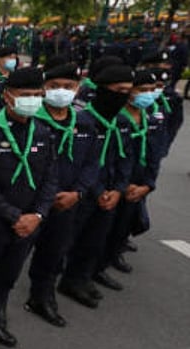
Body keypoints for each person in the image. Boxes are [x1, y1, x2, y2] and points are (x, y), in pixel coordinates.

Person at [0, 67, 57, 348]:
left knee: (6, 277)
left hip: (28, 225)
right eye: (24, 95)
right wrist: (14, 215)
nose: (31, 100)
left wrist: (38, 215)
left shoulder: (42, 132)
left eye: (35, 95)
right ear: (7, 96)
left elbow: (50, 178)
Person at [25, 59, 99, 328]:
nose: (61, 91)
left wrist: (77, 193)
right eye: (54, 86)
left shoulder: (85, 124)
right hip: (31, 204)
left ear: (77, 89)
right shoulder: (31, 121)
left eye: (68, 86)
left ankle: (42, 298)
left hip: (66, 203)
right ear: (44, 88)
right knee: (9, 262)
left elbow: (92, 163)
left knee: (53, 254)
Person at [58, 64, 134, 308]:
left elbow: (126, 159)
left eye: (128, 91)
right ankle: (63, 280)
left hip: (111, 194)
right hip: (87, 193)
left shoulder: (122, 122)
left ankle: (81, 278)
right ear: (103, 90)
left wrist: (119, 189)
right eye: (119, 90)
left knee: (96, 240)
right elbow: (82, 163)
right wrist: (98, 191)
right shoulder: (82, 120)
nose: (124, 95)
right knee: (71, 239)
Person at [97, 71, 168, 287]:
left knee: (123, 228)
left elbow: (156, 153)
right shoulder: (117, 119)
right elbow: (110, 158)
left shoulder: (152, 118)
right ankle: (89, 268)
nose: (148, 95)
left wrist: (148, 185)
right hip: (116, 185)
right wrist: (121, 186)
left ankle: (107, 260)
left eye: (151, 90)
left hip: (139, 184)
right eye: (142, 90)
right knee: (101, 230)